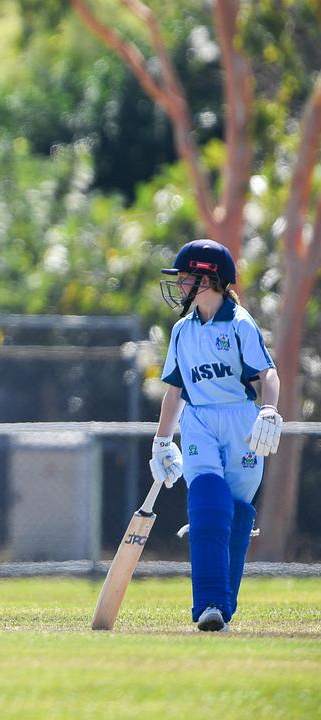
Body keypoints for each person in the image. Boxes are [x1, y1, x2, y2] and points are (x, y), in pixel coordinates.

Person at [149, 238, 282, 632]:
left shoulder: (240, 323)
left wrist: (270, 410)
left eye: (187, 277)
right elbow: (174, 390)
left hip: (241, 421)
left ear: (210, 278)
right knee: (206, 502)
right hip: (200, 420)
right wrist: (161, 440)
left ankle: (222, 608)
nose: (180, 285)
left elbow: (267, 374)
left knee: (236, 517)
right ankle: (207, 604)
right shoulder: (182, 331)